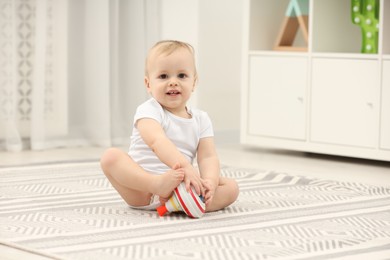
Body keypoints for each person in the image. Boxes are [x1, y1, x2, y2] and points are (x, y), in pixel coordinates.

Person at [100, 40, 239, 213]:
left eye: (181, 76)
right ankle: (161, 187)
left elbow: (208, 157)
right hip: (143, 190)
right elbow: (157, 141)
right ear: (148, 84)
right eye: (163, 76)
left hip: (181, 186)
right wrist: (184, 167)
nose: (173, 82)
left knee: (231, 187)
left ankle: (185, 202)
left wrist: (210, 181)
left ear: (194, 82)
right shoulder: (149, 110)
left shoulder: (201, 119)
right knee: (110, 157)